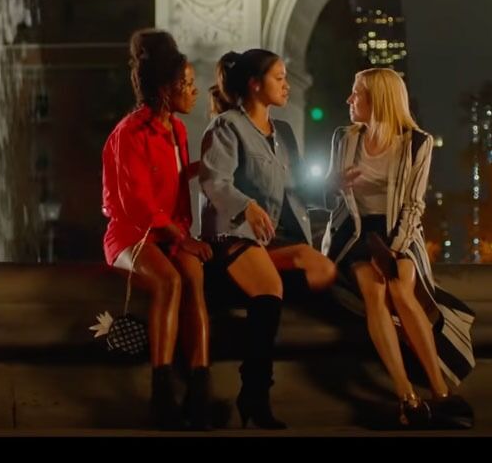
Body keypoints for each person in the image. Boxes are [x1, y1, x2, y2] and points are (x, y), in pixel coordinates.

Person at [321, 68, 476, 428]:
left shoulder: (417, 143)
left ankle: (440, 393)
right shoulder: (343, 138)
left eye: (356, 93)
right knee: (373, 290)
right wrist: (331, 185)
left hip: (400, 233)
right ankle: (407, 396)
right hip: (354, 235)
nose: (349, 100)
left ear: (379, 99)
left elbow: (414, 207)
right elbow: (330, 202)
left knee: (401, 286)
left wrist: (394, 250)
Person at [199, 48, 337, 429]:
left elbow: (296, 191)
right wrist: (247, 207)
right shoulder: (226, 126)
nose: (287, 85)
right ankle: (254, 393)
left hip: (271, 242)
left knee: (323, 270)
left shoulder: (285, 133)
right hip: (233, 235)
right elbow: (214, 181)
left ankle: (229, 294)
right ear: (255, 84)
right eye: (279, 77)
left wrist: (336, 187)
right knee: (271, 286)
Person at [101, 28, 213, 430]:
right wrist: (183, 238)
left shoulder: (179, 132)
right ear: (166, 88)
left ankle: (200, 390)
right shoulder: (129, 133)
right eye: (186, 84)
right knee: (168, 282)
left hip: (173, 232)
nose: (194, 91)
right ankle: (161, 393)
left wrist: (210, 170)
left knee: (195, 279)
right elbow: (137, 206)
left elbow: (177, 186)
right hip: (132, 235)